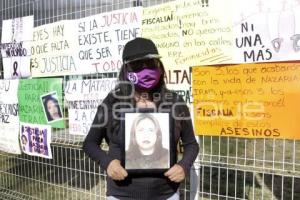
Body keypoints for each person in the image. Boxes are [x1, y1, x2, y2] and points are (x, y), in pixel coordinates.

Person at [83, 37, 199, 200]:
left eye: (151, 63)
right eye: (137, 65)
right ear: (126, 69)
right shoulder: (112, 102)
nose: (145, 69)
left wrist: (184, 166)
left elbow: (191, 144)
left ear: (160, 66)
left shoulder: (175, 102)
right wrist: (107, 163)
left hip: (166, 195)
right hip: (121, 194)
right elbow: (90, 143)